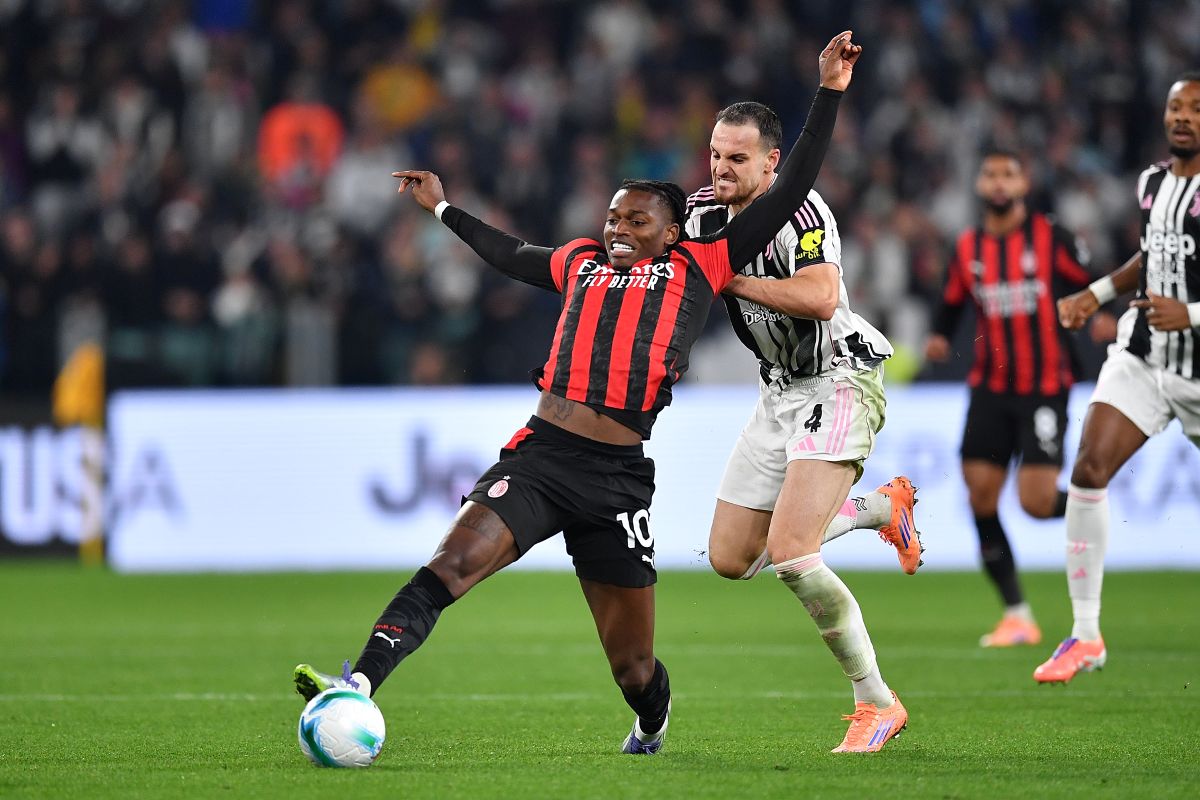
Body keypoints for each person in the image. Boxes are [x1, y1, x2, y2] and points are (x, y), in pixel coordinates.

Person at [292, 31, 862, 755]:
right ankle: (359, 682)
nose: (617, 230)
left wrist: (829, 92)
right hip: (540, 459)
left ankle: (651, 719)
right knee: (449, 565)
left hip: (615, 480)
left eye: (636, 221)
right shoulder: (580, 260)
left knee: (633, 669)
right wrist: (442, 209)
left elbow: (792, 184)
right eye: (613, 217)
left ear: (672, 232)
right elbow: (508, 253)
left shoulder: (704, 264)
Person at [684, 101, 918, 753]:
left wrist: (730, 280)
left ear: (771, 163)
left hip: (839, 378)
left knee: (791, 551)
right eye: (715, 155)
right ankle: (879, 510)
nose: (721, 168)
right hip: (779, 388)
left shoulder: (805, 213)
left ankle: (877, 702)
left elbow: (820, 297)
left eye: (737, 158)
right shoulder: (699, 215)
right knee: (731, 558)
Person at [1036, 72, 1200, 684]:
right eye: (1175, 107)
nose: (1182, 117)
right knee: (1088, 468)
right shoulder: (1152, 182)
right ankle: (1085, 636)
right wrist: (1096, 292)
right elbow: (1152, 256)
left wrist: (1192, 314)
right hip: (1143, 355)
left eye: (1195, 109)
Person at [925, 149, 1093, 648]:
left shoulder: (1052, 238)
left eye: (1008, 174)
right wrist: (940, 336)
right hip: (989, 390)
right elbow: (951, 301)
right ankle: (1017, 615)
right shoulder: (968, 246)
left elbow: (1090, 285)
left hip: (1045, 387)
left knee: (1036, 503)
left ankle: (1092, 507)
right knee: (980, 496)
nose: (999, 182)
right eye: (990, 174)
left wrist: (1102, 314)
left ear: (1024, 184)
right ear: (980, 185)